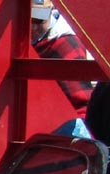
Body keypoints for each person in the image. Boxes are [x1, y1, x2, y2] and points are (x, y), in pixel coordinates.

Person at [31, 0, 93, 138]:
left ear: (51, 10)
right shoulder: (29, 42)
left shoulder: (65, 44)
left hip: (67, 128)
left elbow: (82, 104)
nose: (34, 26)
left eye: (39, 19)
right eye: (29, 20)